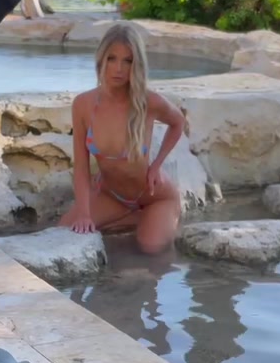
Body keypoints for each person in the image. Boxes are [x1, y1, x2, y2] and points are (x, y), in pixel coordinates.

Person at [59, 23, 186, 254]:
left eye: (128, 61)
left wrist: (157, 165)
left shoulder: (148, 102)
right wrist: (84, 213)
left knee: (151, 249)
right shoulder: (83, 105)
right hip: (112, 196)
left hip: (154, 196)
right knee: (64, 230)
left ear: (137, 65)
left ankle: (156, 216)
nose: (118, 68)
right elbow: (81, 168)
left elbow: (178, 123)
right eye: (112, 59)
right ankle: (134, 218)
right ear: (101, 59)